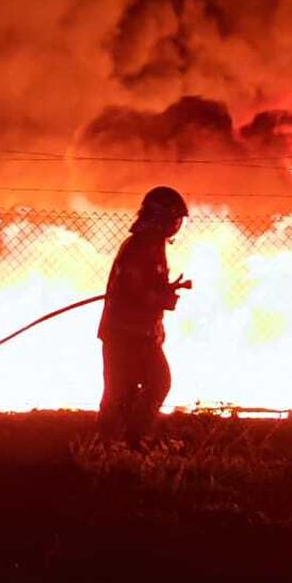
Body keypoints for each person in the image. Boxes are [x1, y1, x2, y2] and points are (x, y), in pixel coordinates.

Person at [97, 186, 191, 447]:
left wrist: (166, 290)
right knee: (132, 388)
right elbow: (134, 289)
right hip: (126, 334)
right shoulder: (140, 246)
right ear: (161, 218)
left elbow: (145, 284)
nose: (177, 226)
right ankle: (115, 442)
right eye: (174, 219)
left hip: (140, 333)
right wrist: (162, 298)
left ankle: (131, 440)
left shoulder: (151, 244)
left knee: (142, 386)